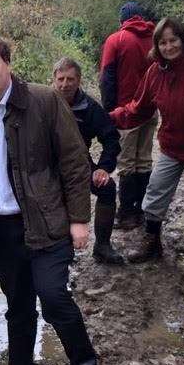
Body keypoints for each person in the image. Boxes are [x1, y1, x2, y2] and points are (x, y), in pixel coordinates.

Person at [0, 32, 99, 365]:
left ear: (7, 64)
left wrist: (79, 219)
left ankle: (85, 363)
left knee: (52, 297)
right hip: (1, 230)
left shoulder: (44, 101)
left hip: (47, 221)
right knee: (17, 303)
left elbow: (74, 161)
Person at [110, 17, 184, 272]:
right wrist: (109, 118)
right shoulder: (155, 72)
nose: (169, 47)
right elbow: (139, 109)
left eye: (173, 41)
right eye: (163, 43)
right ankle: (152, 240)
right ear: (156, 46)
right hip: (172, 143)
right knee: (156, 189)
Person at [53, 56, 123, 265]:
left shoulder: (90, 107)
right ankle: (59, 252)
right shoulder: (42, 102)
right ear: (53, 79)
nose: (65, 84)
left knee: (108, 187)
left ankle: (102, 246)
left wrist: (103, 168)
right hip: (46, 164)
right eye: (61, 79)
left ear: (79, 80)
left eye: (70, 79)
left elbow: (111, 138)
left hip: (78, 164)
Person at [100, 1, 157, 229]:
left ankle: (125, 214)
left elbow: (106, 78)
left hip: (125, 112)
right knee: (144, 160)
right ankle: (141, 211)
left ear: (122, 20)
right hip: (150, 110)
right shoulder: (155, 39)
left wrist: (108, 112)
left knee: (126, 164)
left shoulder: (117, 39)